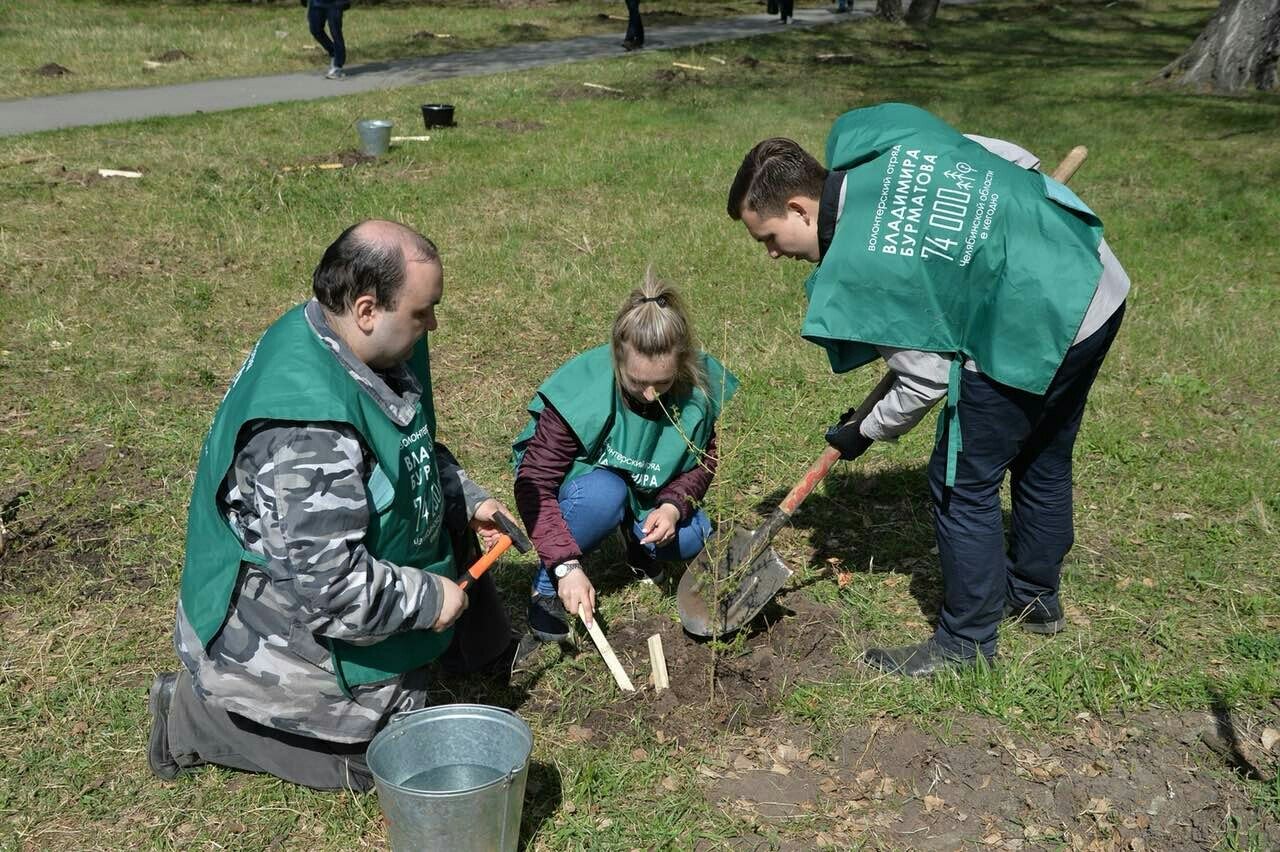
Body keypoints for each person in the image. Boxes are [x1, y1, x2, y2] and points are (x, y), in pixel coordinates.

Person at [726, 102, 1129, 677]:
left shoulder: (866, 267)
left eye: (767, 236)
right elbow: (1010, 159)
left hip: (1033, 321)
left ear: (797, 206)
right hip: (1092, 283)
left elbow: (927, 378)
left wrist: (863, 430)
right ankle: (1035, 598)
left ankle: (966, 643)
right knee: (1041, 452)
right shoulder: (889, 149)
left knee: (960, 481)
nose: (770, 254)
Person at [147, 220, 518, 791]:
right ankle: (199, 719)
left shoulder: (355, 337)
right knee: (381, 764)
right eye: (423, 312)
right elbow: (332, 593)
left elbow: (402, 445)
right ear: (367, 308)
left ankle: (464, 651)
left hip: (333, 566)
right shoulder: (307, 434)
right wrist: (427, 596)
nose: (433, 324)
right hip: (280, 608)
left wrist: (466, 498)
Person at [512, 270, 737, 642]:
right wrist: (565, 567)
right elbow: (535, 483)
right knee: (605, 495)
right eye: (637, 382)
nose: (650, 395)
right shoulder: (584, 393)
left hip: (648, 487)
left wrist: (673, 507)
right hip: (585, 486)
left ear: (680, 364)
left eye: (662, 383)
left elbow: (704, 461)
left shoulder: (696, 392)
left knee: (692, 537)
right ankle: (547, 587)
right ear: (617, 358)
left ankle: (637, 544)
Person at [305, 0, 350, 80]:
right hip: (316, 2)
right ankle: (333, 52)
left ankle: (337, 66)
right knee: (315, 30)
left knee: (335, 32)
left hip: (335, 3)